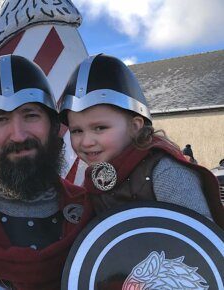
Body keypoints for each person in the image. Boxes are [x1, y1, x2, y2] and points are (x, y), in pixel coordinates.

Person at [0, 55, 93, 289]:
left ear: (53, 125)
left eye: (30, 115)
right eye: (1, 119)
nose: (19, 135)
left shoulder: (89, 208)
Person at [58, 54, 224, 228]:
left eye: (100, 128)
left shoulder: (165, 173)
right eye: (77, 130)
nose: (86, 142)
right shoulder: (96, 176)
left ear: (135, 126)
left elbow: (198, 241)